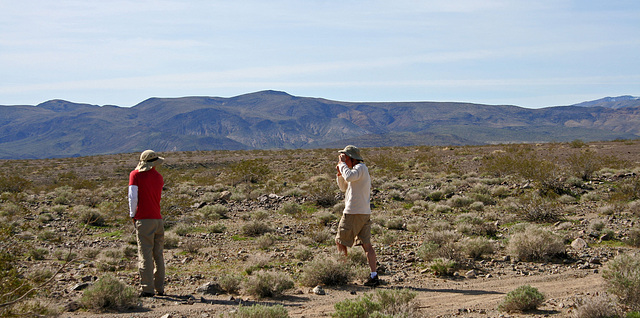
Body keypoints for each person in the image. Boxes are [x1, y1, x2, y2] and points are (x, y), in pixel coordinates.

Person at [335, 145, 379, 286]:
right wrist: (340, 173)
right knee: (366, 245)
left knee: (340, 241)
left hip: (353, 212)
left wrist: (342, 165)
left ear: (351, 158)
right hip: (363, 212)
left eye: (345, 157)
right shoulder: (357, 171)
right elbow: (344, 187)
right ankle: (374, 275)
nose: (343, 160)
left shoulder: (360, 168)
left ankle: (343, 273)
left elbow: (349, 176)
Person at [128, 150, 165, 297]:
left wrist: (133, 215)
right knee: (158, 255)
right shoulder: (159, 177)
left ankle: (147, 289)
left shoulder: (135, 175)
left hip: (144, 219)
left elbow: (132, 198)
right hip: (158, 219)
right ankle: (160, 288)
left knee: (145, 254)